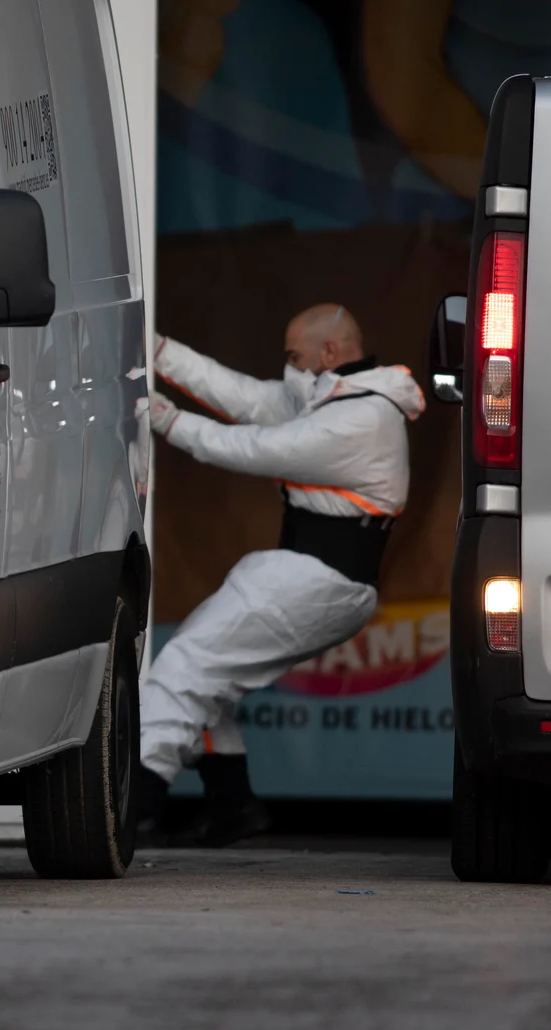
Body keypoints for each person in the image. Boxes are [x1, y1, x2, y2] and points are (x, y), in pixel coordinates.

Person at [138, 305, 425, 846]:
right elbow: (244, 396)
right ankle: (234, 806)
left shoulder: (363, 418)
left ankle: (137, 802)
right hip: (314, 575)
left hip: (319, 577)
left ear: (329, 354)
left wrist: (162, 419)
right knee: (208, 677)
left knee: (186, 665)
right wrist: (155, 350)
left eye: (294, 356)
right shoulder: (332, 397)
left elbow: (258, 448)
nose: (287, 367)